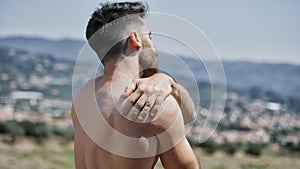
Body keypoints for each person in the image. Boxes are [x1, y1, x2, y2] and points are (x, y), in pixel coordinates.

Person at [72, 2, 200, 169]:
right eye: (149, 36)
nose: (154, 46)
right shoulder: (152, 105)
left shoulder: (83, 97)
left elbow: (190, 114)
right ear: (136, 39)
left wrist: (169, 83)